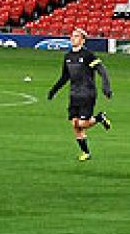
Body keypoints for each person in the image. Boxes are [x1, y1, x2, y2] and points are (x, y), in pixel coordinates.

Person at [45, 29, 113, 161]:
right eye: (72, 36)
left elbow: (102, 70)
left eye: (76, 36)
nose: (73, 39)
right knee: (75, 124)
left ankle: (99, 118)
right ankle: (86, 153)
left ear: (83, 40)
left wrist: (106, 86)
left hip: (87, 93)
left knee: (82, 123)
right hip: (74, 94)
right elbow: (65, 76)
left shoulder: (88, 55)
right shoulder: (68, 56)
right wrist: (54, 90)